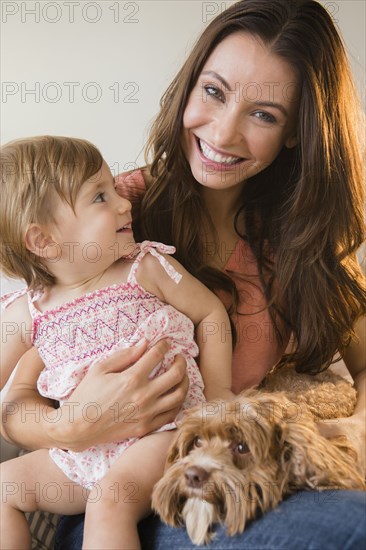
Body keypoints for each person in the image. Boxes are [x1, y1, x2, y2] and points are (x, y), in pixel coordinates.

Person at [1, 0, 365, 548]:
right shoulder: (113, 216)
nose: (223, 132)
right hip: (95, 491)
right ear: (190, 86)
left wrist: (358, 431)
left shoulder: (306, 240)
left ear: (297, 132)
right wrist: (71, 425)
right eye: (214, 92)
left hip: (198, 467)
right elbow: (17, 397)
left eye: (264, 114)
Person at [0, 135, 233, 550]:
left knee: (110, 500)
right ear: (43, 241)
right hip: (80, 454)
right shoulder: (27, 311)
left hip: (163, 433)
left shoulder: (145, 266)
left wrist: (218, 395)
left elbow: (211, 313)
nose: (125, 202)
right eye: (100, 197)